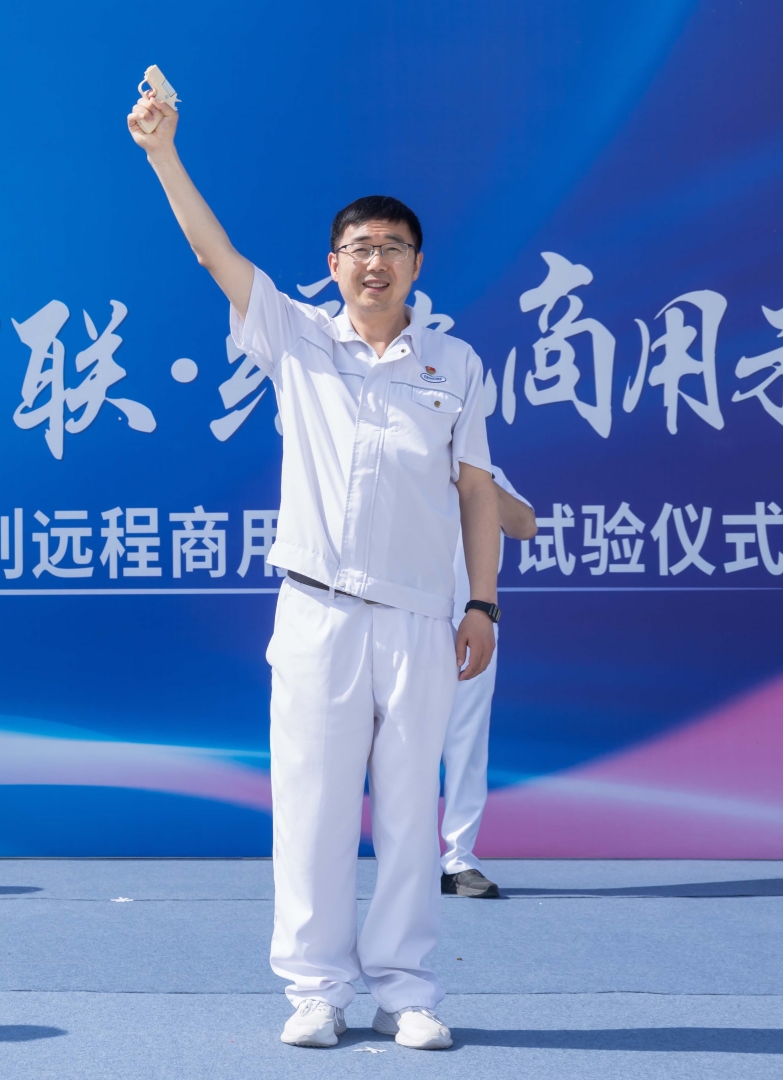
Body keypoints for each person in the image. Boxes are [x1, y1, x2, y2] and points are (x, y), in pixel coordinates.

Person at [130, 91, 504, 1051]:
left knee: (410, 814)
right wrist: (165, 153)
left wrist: (483, 604)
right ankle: (316, 988)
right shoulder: (297, 338)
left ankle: (407, 990)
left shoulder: (455, 365)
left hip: (420, 616)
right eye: (359, 248)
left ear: (418, 265)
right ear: (332, 264)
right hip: (316, 611)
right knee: (312, 808)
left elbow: (476, 492)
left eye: (393, 247)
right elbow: (213, 255)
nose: (375, 261)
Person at [440, 468, 536, 899]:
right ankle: (406, 860)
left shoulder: (483, 470)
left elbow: (525, 525)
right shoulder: (403, 456)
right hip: (406, 620)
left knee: (467, 744)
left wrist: (477, 480)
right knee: (399, 746)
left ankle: (458, 860)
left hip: (473, 623)